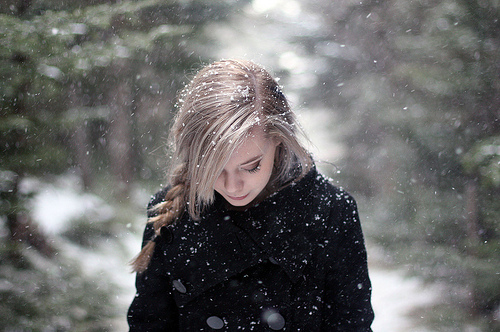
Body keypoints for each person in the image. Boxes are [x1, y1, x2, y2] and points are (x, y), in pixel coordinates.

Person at [127, 59, 374, 331]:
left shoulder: (330, 213)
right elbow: (148, 324)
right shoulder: (171, 212)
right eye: (215, 169)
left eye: (251, 166)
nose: (233, 186)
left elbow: (351, 325)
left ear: (279, 140)